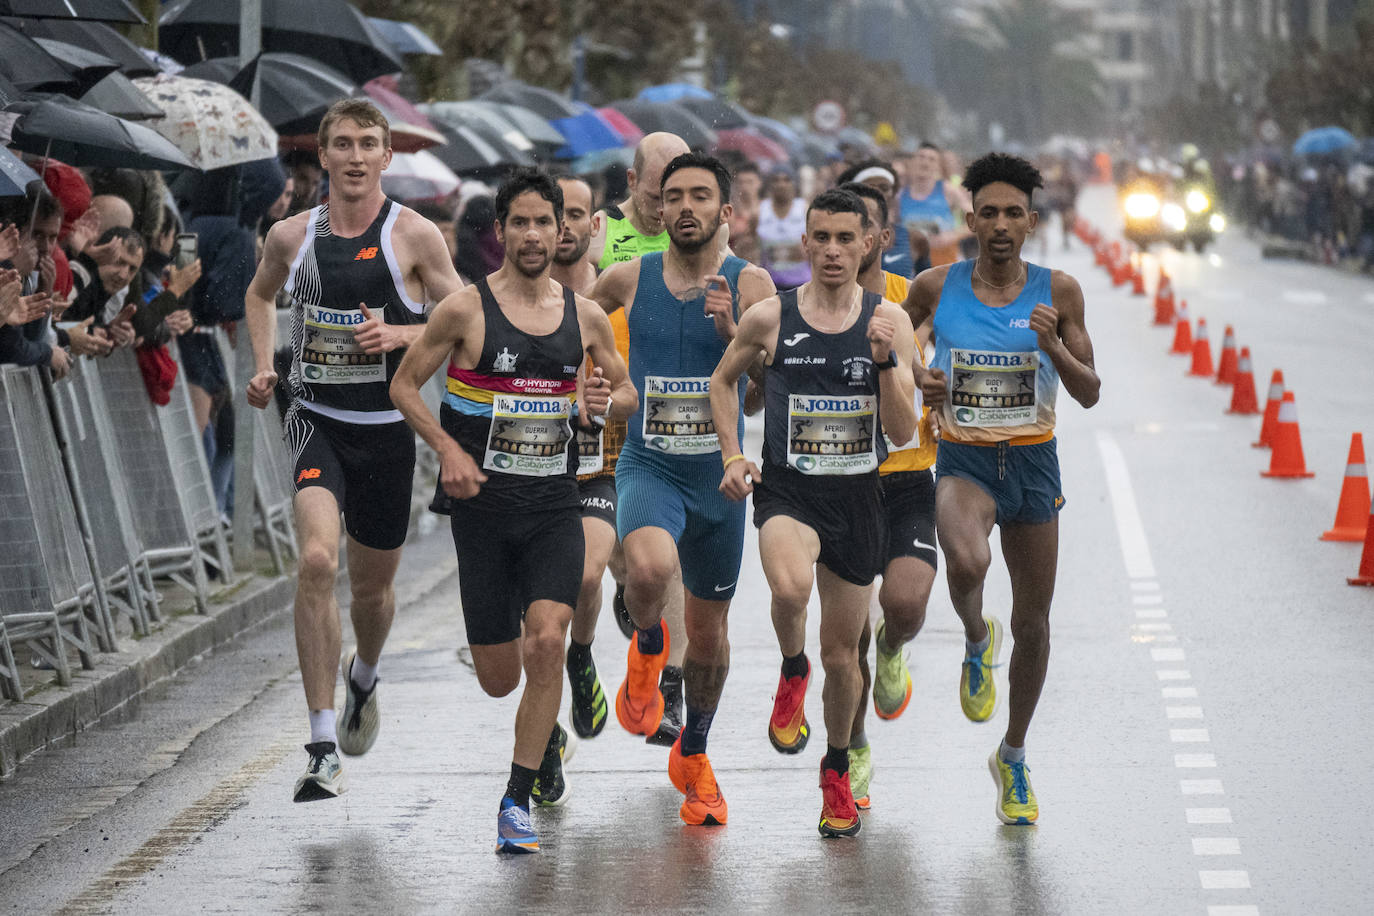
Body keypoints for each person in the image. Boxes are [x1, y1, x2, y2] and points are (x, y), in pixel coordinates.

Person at [389, 168, 636, 853]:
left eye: (543, 223)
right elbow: (405, 385)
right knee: (502, 679)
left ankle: (516, 800)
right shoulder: (465, 311)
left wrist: (599, 405)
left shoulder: (584, 316)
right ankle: (526, 701)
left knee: (550, 640)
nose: (532, 235)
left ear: (565, 231)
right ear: (500, 233)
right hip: (484, 512)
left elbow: (625, 395)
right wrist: (447, 448)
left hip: (554, 506)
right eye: (518, 223)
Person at [243, 99, 463, 804]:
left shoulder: (416, 236)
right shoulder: (290, 236)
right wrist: (262, 364)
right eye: (343, 144)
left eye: (370, 144)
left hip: (386, 430)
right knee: (315, 561)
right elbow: (259, 296)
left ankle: (364, 675)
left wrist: (401, 338)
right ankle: (318, 745)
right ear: (325, 155)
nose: (357, 156)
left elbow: (465, 322)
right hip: (315, 418)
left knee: (371, 591)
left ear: (387, 156)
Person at [710, 188, 918, 837]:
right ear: (803, 244)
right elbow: (722, 382)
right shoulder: (771, 318)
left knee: (844, 658)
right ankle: (789, 666)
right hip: (789, 492)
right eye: (820, 238)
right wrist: (731, 456)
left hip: (857, 499)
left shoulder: (891, 320)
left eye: (844, 239)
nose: (831, 251)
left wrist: (885, 363)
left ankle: (834, 769)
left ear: (868, 245)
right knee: (790, 586)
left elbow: (906, 431)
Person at [902, 152, 1099, 825]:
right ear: (971, 219)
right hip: (965, 460)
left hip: (1035, 466)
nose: (1001, 224)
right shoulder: (935, 285)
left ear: (1032, 222)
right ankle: (972, 637)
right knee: (966, 561)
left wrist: (1058, 350)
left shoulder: (1060, 292)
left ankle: (1012, 756)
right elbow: (904, 354)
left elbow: (1091, 393)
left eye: (1014, 213)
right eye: (989, 212)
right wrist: (920, 379)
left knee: (1035, 626)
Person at [589, 152, 775, 826]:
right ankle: (643, 649)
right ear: (658, 209)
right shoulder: (626, 277)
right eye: (675, 197)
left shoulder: (751, 285)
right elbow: (569, 325)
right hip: (651, 465)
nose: (687, 208)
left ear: (727, 212)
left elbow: (758, 399)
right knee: (647, 567)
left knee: (709, 638)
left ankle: (694, 754)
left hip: (720, 482)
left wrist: (734, 339)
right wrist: (589, 378)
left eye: (702, 196)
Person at [587, 131, 695, 736]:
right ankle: (636, 604)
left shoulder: (701, 233)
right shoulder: (604, 233)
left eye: (681, 193)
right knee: (626, 561)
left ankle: (670, 687)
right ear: (632, 184)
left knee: (667, 553)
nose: (669, 207)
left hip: (668, 416)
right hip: (607, 411)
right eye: (658, 194)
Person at [838, 181, 939, 810]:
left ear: (879, 237)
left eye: (859, 231)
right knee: (842, 636)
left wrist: (932, 375)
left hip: (906, 473)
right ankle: (852, 745)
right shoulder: (810, 305)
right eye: (832, 234)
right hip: (840, 482)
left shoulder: (910, 298)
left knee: (903, 602)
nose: (846, 245)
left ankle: (895, 644)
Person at [551, 175, 617, 740]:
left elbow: (633, 392)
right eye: (552, 214)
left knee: (587, 574)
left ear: (594, 225)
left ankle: (583, 653)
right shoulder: (501, 301)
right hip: (523, 472)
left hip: (599, 467)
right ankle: (545, 740)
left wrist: (600, 401)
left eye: (575, 213)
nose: (563, 225)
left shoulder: (615, 294)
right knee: (533, 619)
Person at [589, 132, 689, 270]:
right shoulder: (599, 229)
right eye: (654, 197)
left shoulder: (699, 231)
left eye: (673, 199)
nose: (662, 209)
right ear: (632, 179)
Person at [899, 142, 973, 268]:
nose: (925, 162)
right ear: (913, 162)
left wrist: (952, 235)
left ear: (938, 166)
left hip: (944, 267)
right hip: (910, 267)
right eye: (921, 157)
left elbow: (978, 219)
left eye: (931, 159)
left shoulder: (948, 190)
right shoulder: (901, 193)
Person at [756, 166, 809, 288]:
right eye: (776, 180)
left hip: (801, 283)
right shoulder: (760, 211)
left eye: (786, 180)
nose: (781, 185)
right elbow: (752, 249)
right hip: (769, 284)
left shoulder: (805, 209)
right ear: (769, 185)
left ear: (794, 184)